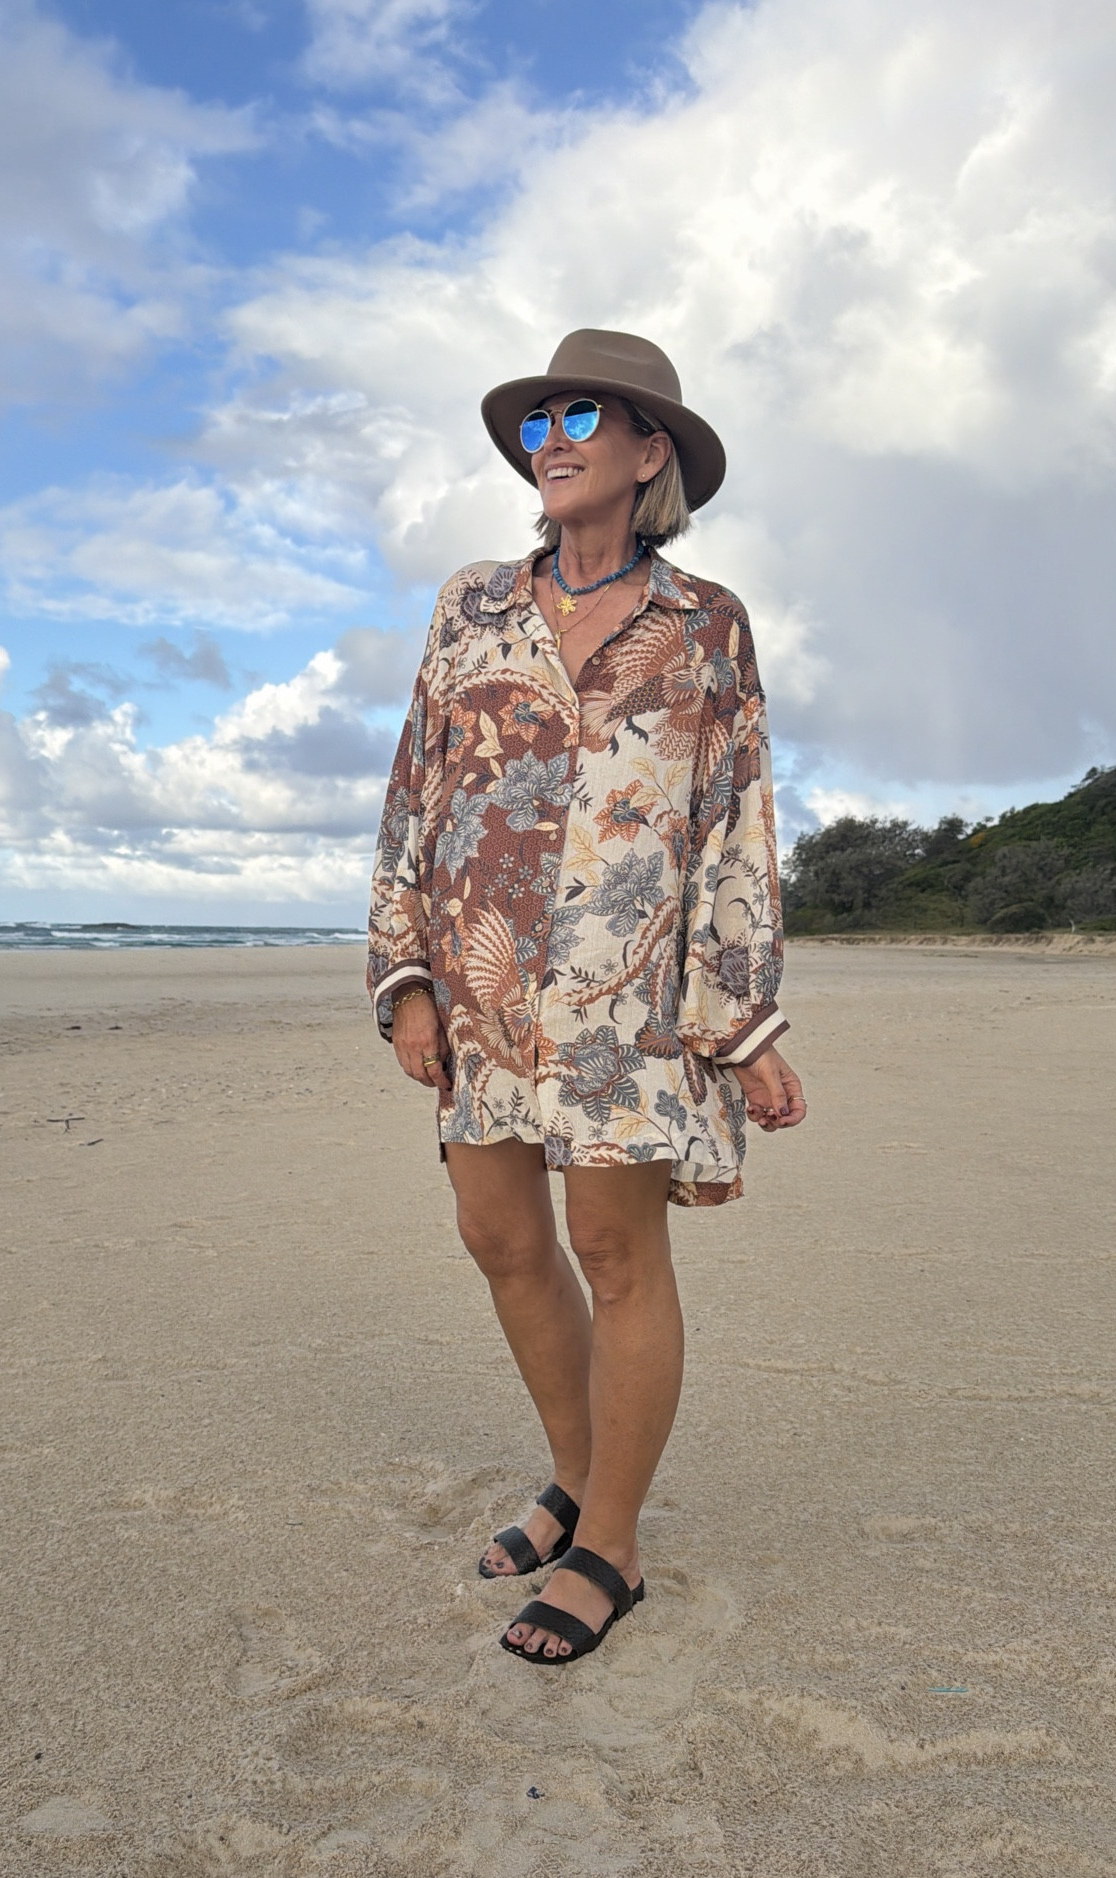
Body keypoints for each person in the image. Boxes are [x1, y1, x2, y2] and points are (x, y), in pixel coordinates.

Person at [366, 329, 807, 1667]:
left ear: (647, 448)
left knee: (615, 1253)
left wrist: (741, 1018)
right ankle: (573, 1475)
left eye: (580, 418)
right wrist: (405, 974)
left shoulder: (705, 622)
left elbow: (734, 822)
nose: (550, 442)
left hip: (633, 994)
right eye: (537, 422)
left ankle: (611, 1543)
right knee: (499, 1237)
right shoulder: (471, 607)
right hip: (483, 981)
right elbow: (414, 789)